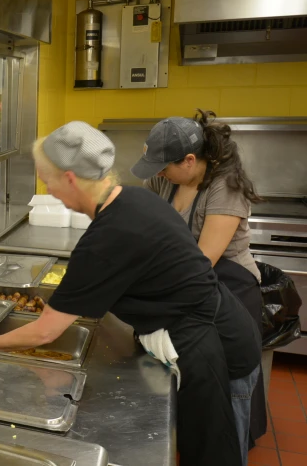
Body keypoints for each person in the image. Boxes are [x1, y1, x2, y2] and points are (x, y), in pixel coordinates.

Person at [0, 121, 261, 466]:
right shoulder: (135, 198)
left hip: (211, 347)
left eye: (47, 179)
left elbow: (47, 330)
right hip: (217, 327)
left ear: (69, 178)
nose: (49, 191)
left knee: (214, 453)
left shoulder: (106, 238)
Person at [131, 110, 267, 451]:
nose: (158, 173)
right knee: (201, 391)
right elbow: (143, 227)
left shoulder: (225, 187)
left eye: (164, 166)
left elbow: (203, 261)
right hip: (187, 289)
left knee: (229, 390)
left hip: (229, 292)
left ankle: (232, 450)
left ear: (190, 160)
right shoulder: (164, 179)